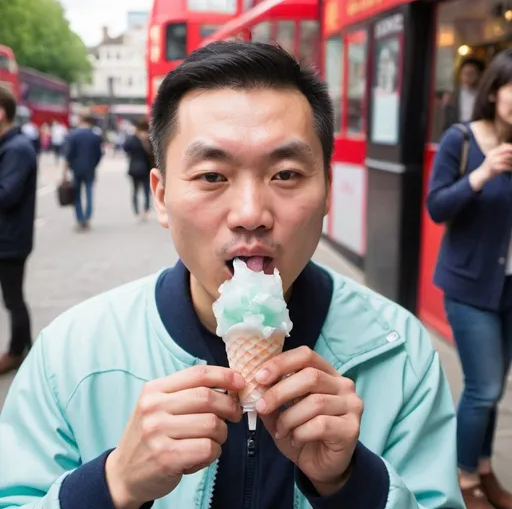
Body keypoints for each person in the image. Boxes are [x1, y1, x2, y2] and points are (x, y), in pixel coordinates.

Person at [0, 42, 464, 508]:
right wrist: (111, 486)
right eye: (212, 176)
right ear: (160, 196)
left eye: (285, 174)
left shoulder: (398, 353)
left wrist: (353, 485)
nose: (250, 214)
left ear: (327, 191)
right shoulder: (70, 355)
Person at [427, 49, 512, 509]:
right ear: (496, 90)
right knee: (483, 388)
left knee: (495, 387)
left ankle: (483, 468)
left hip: (508, 287)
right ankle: (462, 479)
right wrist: (481, 174)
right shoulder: (461, 139)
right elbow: (437, 206)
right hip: (469, 286)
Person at [0, 86, 37, 375]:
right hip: (8, 237)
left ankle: (17, 351)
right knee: (13, 298)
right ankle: (23, 347)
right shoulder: (10, 146)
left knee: (13, 299)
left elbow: (7, 195)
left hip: (9, 239)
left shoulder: (17, 149)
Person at [64, 113, 103, 231]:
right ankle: (88, 216)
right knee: (89, 192)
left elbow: (68, 154)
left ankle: (80, 218)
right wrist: (94, 165)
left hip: (76, 168)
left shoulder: (73, 135)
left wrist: (66, 170)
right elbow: (99, 154)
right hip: (90, 168)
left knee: (77, 195)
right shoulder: (95, 136)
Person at [123, 118, 154, 221]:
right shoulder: (149, 139)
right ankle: (145, 210)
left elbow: (125, 148)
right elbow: (153, 154)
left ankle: (137, 211)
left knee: (136, 191)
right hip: (145, 168)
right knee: (145, 190)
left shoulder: (134, 138)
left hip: (134, 168)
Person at [443, 57, 485, 131]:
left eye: (471, 73)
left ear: (479, 75)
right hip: (457, 131)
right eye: (464, 73)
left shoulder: (483, 94)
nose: (467, 77)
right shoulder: (452, 95)